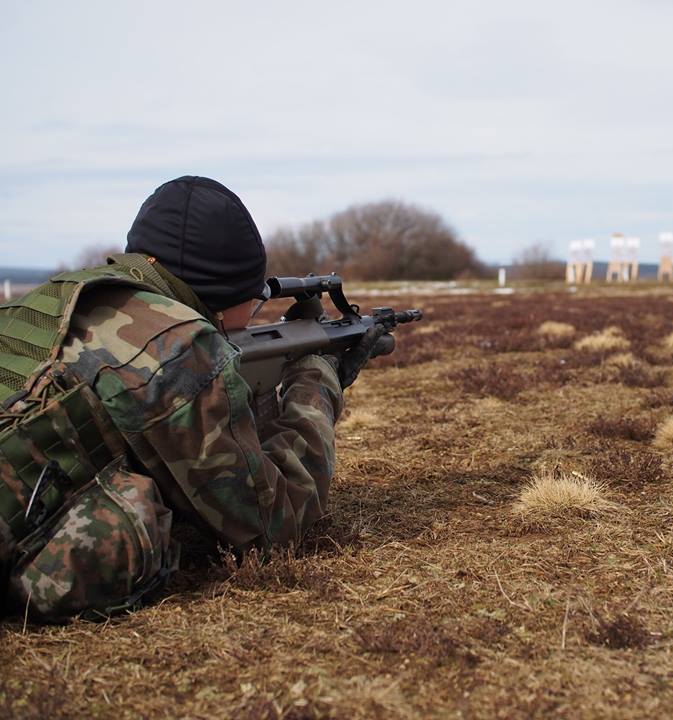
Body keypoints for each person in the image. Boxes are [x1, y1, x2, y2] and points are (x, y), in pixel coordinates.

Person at [0, 176, 387, 621]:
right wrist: (317, 381)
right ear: (221, 297)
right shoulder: (176, 348)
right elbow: (271, 525)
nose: (257, 307)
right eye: (255, 296)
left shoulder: (51, 300)